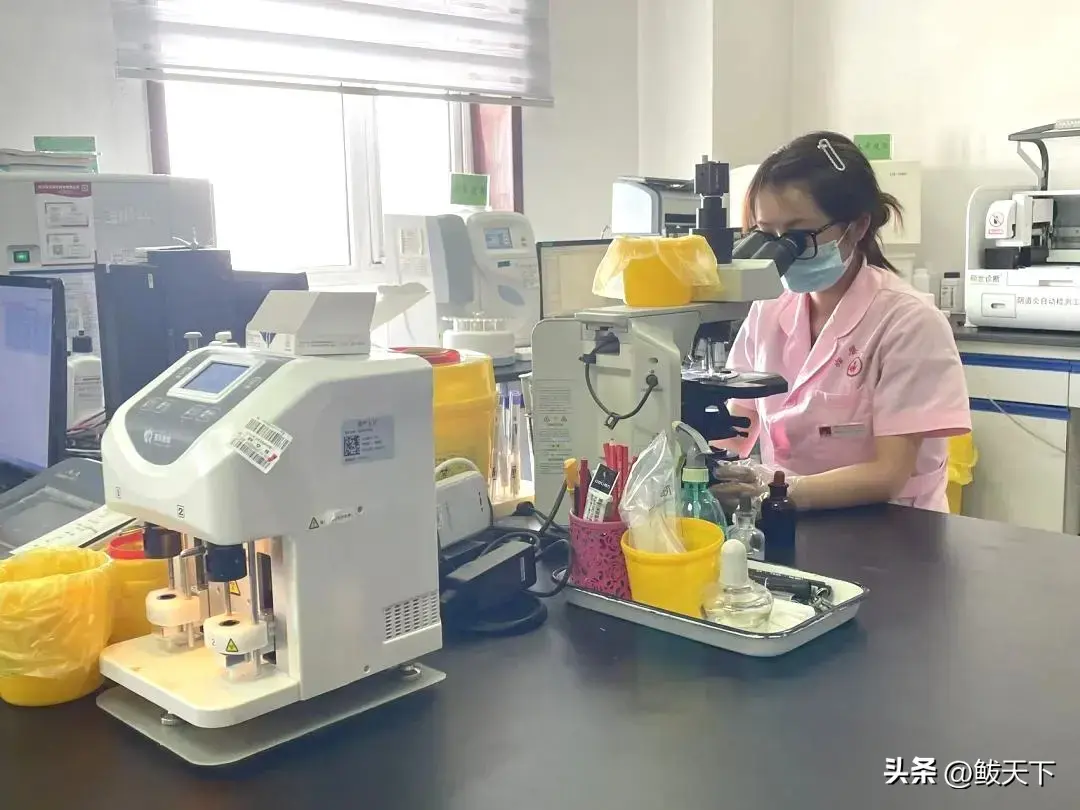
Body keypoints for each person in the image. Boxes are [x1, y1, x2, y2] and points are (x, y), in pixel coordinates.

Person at [712, 131, 970, 513]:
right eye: (768, 235)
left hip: (894, 528)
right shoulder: (769, 309)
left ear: (858, 226)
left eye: (799, 236)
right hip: (792, 517)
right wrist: (702, 467)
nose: (783, 251)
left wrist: (776, 491)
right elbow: (738, 427)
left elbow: (888, 474)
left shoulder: (909, 322)